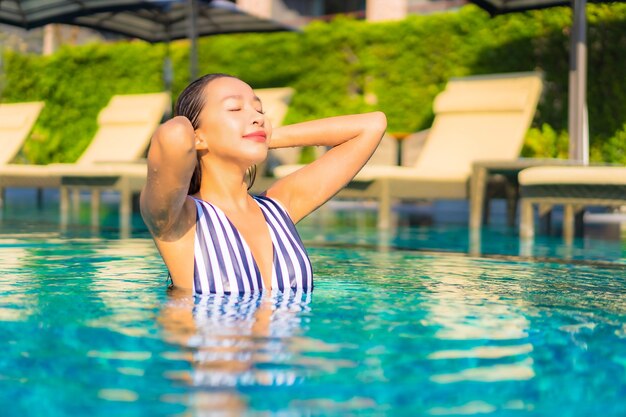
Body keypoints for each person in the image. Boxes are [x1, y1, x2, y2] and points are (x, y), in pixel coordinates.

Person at [140, 73, 386, 295]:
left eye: (259, 110)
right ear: (197, 136)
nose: (257, 118)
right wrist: (211, 137)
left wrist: (264, 136)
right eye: (235, 108)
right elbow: (174, 134)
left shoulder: (279, 207)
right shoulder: (177, 220)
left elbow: (373, 124)